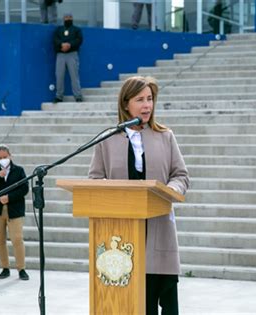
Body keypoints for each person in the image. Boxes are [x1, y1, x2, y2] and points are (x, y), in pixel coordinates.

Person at [88, 76, 190, 314]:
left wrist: (171, 190)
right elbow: (95, 179)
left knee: (161, 297)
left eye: (150, 99)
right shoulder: (107, 139)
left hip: (158, 226)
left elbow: (181, 175)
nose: (147, 105)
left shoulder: (165, 136)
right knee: (128, 303)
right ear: (126, 104)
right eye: (140, 100)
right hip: (120, 234)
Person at [0, 144, 30, 280]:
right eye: (0, 158)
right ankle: (5, 267)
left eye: (5, 157)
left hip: (14, 210)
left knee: (17, 239)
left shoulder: (19, 170)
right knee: (0, 240)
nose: (3, 159)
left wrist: (9, 197)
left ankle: (21, 268)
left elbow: (24, 189)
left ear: (10, 156)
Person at [53, 13, 83, 103]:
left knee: (74, 76)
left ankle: (78, 96)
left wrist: (70, 45)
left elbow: (79, 40)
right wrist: (62, 45)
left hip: (72, 54)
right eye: (66, 17)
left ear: (72, 18)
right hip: (60, 55)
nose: (68, 19)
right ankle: (59, 96)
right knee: (59, 76)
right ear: (63, 19)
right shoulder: (59, 30)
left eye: (70, 17)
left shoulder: (76, 30)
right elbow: (55, 39)